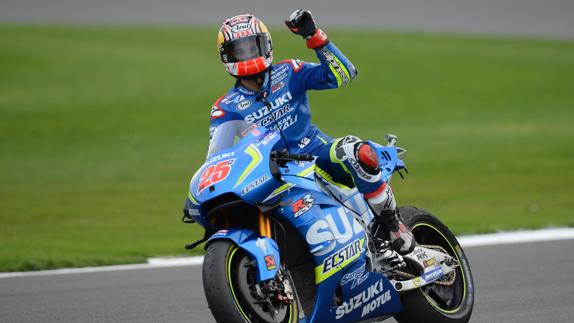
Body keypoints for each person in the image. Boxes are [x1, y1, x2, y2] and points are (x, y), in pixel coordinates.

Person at [208, 10, 415, 255]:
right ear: (226, 57)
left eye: (252, 47)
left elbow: (344, 74)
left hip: (316, 152)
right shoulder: (225, 108)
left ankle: (393, 225)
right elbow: (217, 161)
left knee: (353, 149)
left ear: (266, 45)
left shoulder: (289, 71)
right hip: (272, 174)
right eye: (239, 50)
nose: (247, 55)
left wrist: (315, 37)